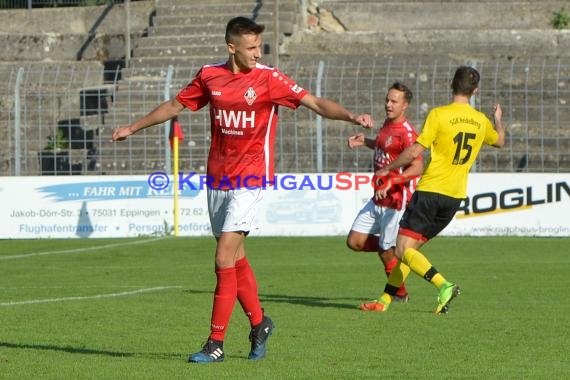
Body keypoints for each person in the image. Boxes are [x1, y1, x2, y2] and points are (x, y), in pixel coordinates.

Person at [112, 16, 374, 363]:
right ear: (231, 47)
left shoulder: (269, 79)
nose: (258, 53)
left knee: (222, 257)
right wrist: (134, 126)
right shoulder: (209, 75)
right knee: (235, 259)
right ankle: (260, 323)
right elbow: (175, 105)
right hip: (218, 178)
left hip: (251, 180)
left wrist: (351, 116)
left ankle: (215, 343)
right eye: (251, 48)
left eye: (260, 47)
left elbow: (315, 102)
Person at [366, 66, 505, 314]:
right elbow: (501, 141)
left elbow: (414, 151)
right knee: (410, 252)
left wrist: (388, 170)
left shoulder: (439, 115)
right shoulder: (481, 122)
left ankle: (444, 285)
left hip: (430, 192)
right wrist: (497, 119)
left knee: (402, 250)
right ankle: (385, 300)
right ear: (475, 91)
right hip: (454, 197)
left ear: (451, 85)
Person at [345, 82, 423, 310]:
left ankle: (400, 292)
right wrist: (364, 142)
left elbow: (418, 167)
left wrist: (392, 179)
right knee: (354, 241)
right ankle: (398, 252)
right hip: (378, 198)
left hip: (397, 201)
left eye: (394, 101)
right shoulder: (388, 124)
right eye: (387, 100)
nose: (388, 104)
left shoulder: (407, 133)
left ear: (405, 105)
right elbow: (385, 148)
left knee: (385, 250)